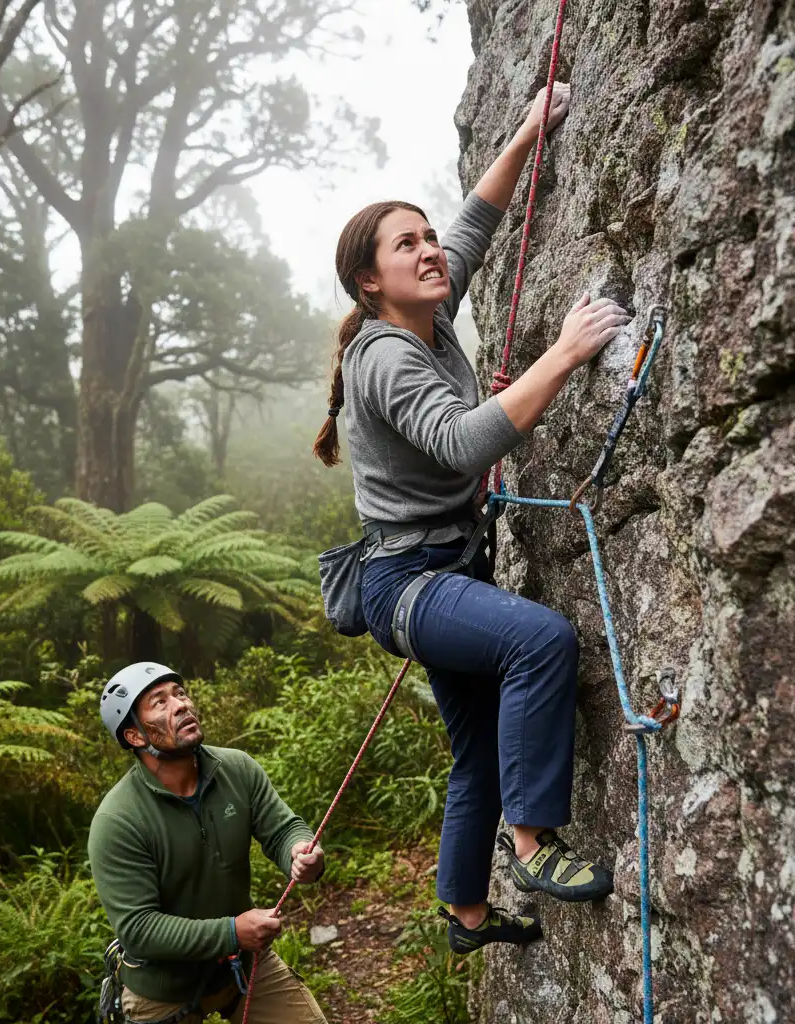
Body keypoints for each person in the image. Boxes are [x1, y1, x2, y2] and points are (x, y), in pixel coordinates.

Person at [312, 82, 628, 954]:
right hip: (409, 584)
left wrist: (526, 131)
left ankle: (464, 914)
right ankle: (531, 843)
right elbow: (460, 444)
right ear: (370, 281)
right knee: (541, 642)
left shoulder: (430, 312)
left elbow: (476, 225)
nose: (428, 251)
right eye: (405, 244)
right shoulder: (384, 356)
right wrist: (564, 353)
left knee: (480, 751)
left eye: (425, 237)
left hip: (441, 569)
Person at [89, 661, 328, 1024]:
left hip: (243, 965)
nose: (181, 705)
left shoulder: (236, 769)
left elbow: (283, 830)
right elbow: (139, 929)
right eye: (160, 702)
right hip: (164, 990)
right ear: (135, 736)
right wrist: (232, 932)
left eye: (180, 693)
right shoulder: (119, 819)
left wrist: (301, 851)